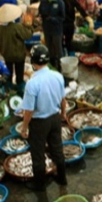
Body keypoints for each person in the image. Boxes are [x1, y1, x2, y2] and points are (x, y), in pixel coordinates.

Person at [18, 44, 67, 191]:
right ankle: (62, 178)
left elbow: (29, 110)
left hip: (40, 122)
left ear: (33, 62)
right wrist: (63, 114)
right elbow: (63, 99)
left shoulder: (32, 83)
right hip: (55, 118)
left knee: (38, 153)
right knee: (57, 149)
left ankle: (39, 185)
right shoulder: (58, 76)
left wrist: (24, 127)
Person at [0, 4, 33, 94]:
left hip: (6, 53)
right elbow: (27, 35)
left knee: (9, 71)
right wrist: (29, 26)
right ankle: (20, 90)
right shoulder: (16, 27)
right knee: (19, 73)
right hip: (18, 55)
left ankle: (8, 88)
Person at [39, 0, 66, 70]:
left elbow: (62, 17)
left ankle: (60, 66)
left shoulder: (60, 3)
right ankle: (51, 64)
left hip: (57, 30)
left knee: (58, 48)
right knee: (49, 47)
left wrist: (53, 19)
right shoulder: (43, 2)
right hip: (47, 28)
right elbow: (40, 12)